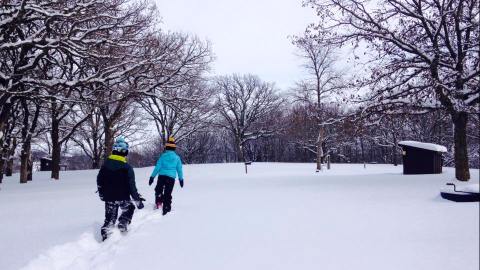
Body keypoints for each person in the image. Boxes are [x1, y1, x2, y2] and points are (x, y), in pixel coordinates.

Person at [97, 137, 145, 241]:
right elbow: (132, 186)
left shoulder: (105, 165)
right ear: (125, 152)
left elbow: (99, 180)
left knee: (109, 218)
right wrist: (138, 200)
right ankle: (123, 222)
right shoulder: (127, 168)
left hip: (108, 197)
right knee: (129, 208)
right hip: (123, 197)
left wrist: (101, 193)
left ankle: (106, 233)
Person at [149, 137, 184, 215]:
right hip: (171, 178)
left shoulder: (163, 156)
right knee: (168, 192)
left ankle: (158, 202)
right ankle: (167, 207)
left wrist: (152, 177)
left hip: (161, 176)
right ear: (174, 148)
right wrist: (181, 179)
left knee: (159, 190)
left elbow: (157, 167)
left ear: (166, 147)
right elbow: (179, 169)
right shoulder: (177, 158)